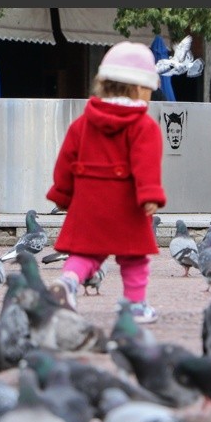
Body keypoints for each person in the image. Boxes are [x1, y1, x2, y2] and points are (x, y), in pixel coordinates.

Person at [45, 41, 167, 324]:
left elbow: (65, 162)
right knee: (134, 258)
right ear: (138, 88)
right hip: (127, 205)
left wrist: (63, 196)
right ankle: (135, 306)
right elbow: (145, 163)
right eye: (149, 89)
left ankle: (68, 282)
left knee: (87, 252)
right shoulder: (144, 125)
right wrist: (149, 195)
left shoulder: (83, 123)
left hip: (89, 203)